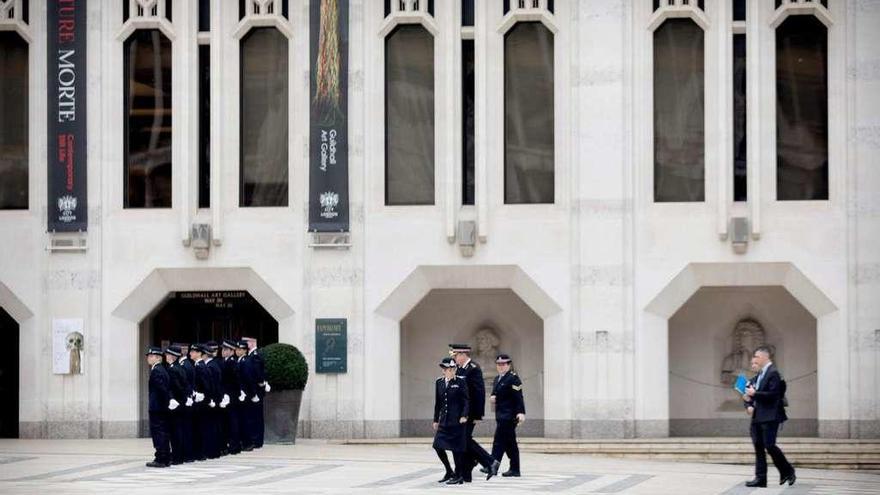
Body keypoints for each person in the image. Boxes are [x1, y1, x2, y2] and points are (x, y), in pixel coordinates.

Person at [742, 346, 796, 488]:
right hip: (757, 416)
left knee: (769, 445)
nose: (755, 359)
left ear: (766, 357)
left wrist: (755, 394)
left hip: (770, 416)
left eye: (757, 356)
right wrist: (749, 400)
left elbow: (774, 395)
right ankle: (761, 478)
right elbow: (755, 394)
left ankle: (787, 470)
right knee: (758, 447)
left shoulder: (773, 373)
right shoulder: (759, 374)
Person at [450, 343, 500, 482]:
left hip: (469, 413)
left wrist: (477, 414)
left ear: (463, 355)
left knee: (463, 440)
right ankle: (467, 472)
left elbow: (479, 393)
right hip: (460, 413)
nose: (454, 358)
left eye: (455, 356)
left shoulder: (473, 369)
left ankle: (490, 462)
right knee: (463, 441)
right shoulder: (460, 369)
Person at [433, 357, 469, 485]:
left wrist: (464, 415)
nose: (452, 371)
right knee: (437, 446)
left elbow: (466, 400)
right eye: (449, 369)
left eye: (454, 368)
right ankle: (449, 471)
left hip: (457, 421)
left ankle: (458, 475)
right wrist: (435, 419)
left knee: (456, 449)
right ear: (444, 370)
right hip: (444, 421)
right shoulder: (439, 382)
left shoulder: (460, 382)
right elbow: (438, 403)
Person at [489, 354, 525, 477]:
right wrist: (493, 397)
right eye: (498, 364)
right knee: (510, 444)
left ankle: (492, 465)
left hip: (509, 416)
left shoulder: (513, 378)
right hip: (500, 415)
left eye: (503, 364)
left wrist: (521, 412)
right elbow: (494, 394)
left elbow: (518, 397)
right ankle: (515, 469)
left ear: (508, 365)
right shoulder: (497, 379)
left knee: (498, 441)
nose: (501, 366)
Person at [145, 346, 171, 468]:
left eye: (151, 356)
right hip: (161, 407)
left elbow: (162, 390)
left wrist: (161, 404)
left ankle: (161, 458)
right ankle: (163, 456)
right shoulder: (161, 369)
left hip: (157, 408)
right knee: (163, 432)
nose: (148, 358)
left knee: (158, 432)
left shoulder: (157, 371)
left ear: (158, 358)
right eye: (148, 356)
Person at [163, 346, 188, 465]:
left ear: (172, 356)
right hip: (181, 403)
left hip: (176, 405)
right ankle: (179, 455)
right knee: (179, 430)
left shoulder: (173, 369)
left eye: (167, 355)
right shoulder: (179, 368)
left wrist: (173, 399)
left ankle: (177, 456)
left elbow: (176, 387)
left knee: (175, 431)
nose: (166, 357)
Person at [244, 336, 270, 449]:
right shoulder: (250, 355)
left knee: (256, 416)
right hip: (252, 389)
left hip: (256, 390)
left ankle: (257, 440)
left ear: (252, 342)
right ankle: (255, 438)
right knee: (253, 415)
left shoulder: (255, 355)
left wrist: (262, 383)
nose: (244, 344)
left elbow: (258, 372)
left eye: (246, 342)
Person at [192, 343, 216, 460]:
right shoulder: (198, 365)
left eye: (193, 352)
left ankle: (204, 452)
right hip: (201, 400)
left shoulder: (200, 366)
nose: (191, 354)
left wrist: (205, 396)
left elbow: (207, 384)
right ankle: (204, 451)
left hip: (202, 402)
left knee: (203, 427)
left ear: (199, 354)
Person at [205, 341, 228, 456]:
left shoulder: (214, 364)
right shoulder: (216, 363)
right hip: (218, 397)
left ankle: (217, 448)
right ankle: (220, 447)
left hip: (215, 398)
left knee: (216, 424)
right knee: (218, 424)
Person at [175, 342, 196, 462]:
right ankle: (186, 453)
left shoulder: (186, 365)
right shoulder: (184, 363)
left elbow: (185, 383)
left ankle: (187, 454)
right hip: (185, 399)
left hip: (185, 400)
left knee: (185, 429)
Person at [221, 339, 242, 455]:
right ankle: (231, 444)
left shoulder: (232, 363)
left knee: (233, 421)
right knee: (228, 421)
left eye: (225, 350)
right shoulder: (225, 361)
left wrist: (230, 394)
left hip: (231, 396)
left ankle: (235, 445)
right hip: (227, 395)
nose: (223, 351)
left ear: (231, 351)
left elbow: (235, 380)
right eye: (223, 349)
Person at [235, 340, 255, 451]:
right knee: (242, 419)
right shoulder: (240, 360)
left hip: (245, 394)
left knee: (246, 419)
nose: (237, 351)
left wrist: (250, 393)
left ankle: (248, 442)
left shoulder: (246, 361)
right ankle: (245, 441)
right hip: (241, 394)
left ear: (244, 350)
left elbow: (249, 378)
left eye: (239, 349)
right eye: (237, 349)